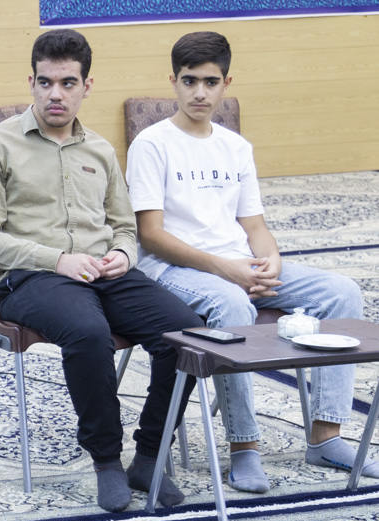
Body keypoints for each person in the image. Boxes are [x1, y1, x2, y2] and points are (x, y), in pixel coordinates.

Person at [0, 29, 200, 512]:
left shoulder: (100, 150)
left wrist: (124, 255)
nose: (56, 94)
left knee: (187, 333)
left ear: (86, 86)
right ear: (31, 82)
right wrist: (57, 260)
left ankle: (150, 456)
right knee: (88, 332)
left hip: (103, 272)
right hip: (30, 277)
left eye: (68, 83)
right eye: (46, 82)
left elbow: (124, 227)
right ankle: (106, 460)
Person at [127, 31, 372, 488]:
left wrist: (270, 260)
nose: (200, 93)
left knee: (341, 292)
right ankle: (244, 446)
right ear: (173, 82)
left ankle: (326, 437)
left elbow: (254, 227)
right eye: (189, 81)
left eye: (210, 82)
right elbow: (151, 236)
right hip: (172, 270)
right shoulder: (152, 143)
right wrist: (228, 271)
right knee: (232, 305)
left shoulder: (235, 147)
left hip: (238, 264)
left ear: (226, 83)